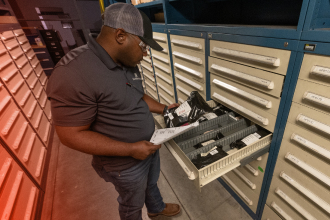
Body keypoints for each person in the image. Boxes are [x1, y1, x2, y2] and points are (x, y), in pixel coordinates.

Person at [46, 3, 181, 220]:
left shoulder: (127, 61)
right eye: (143, 46)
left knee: (151, 182)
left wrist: (164, 108)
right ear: (120, 36)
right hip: (124, 164)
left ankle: (156, 208)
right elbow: (70, 135)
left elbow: (136, 96)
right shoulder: (72, 74)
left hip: (147, 147)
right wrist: (130, 149)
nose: (145, 54)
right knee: (131, 203)